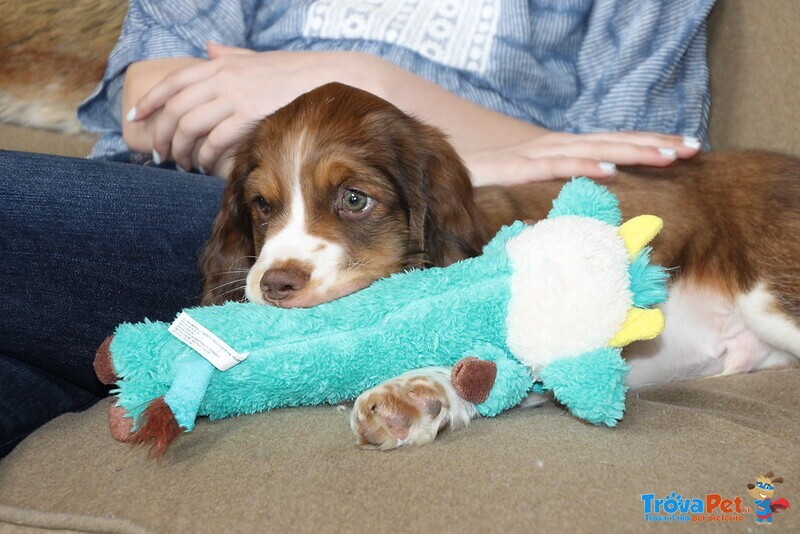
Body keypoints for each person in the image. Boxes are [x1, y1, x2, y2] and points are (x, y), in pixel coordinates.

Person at [0, 0, 715, 457]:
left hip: (430, 231)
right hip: (220, 225)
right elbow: (150, 104)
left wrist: (367, 87)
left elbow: (637, 165)